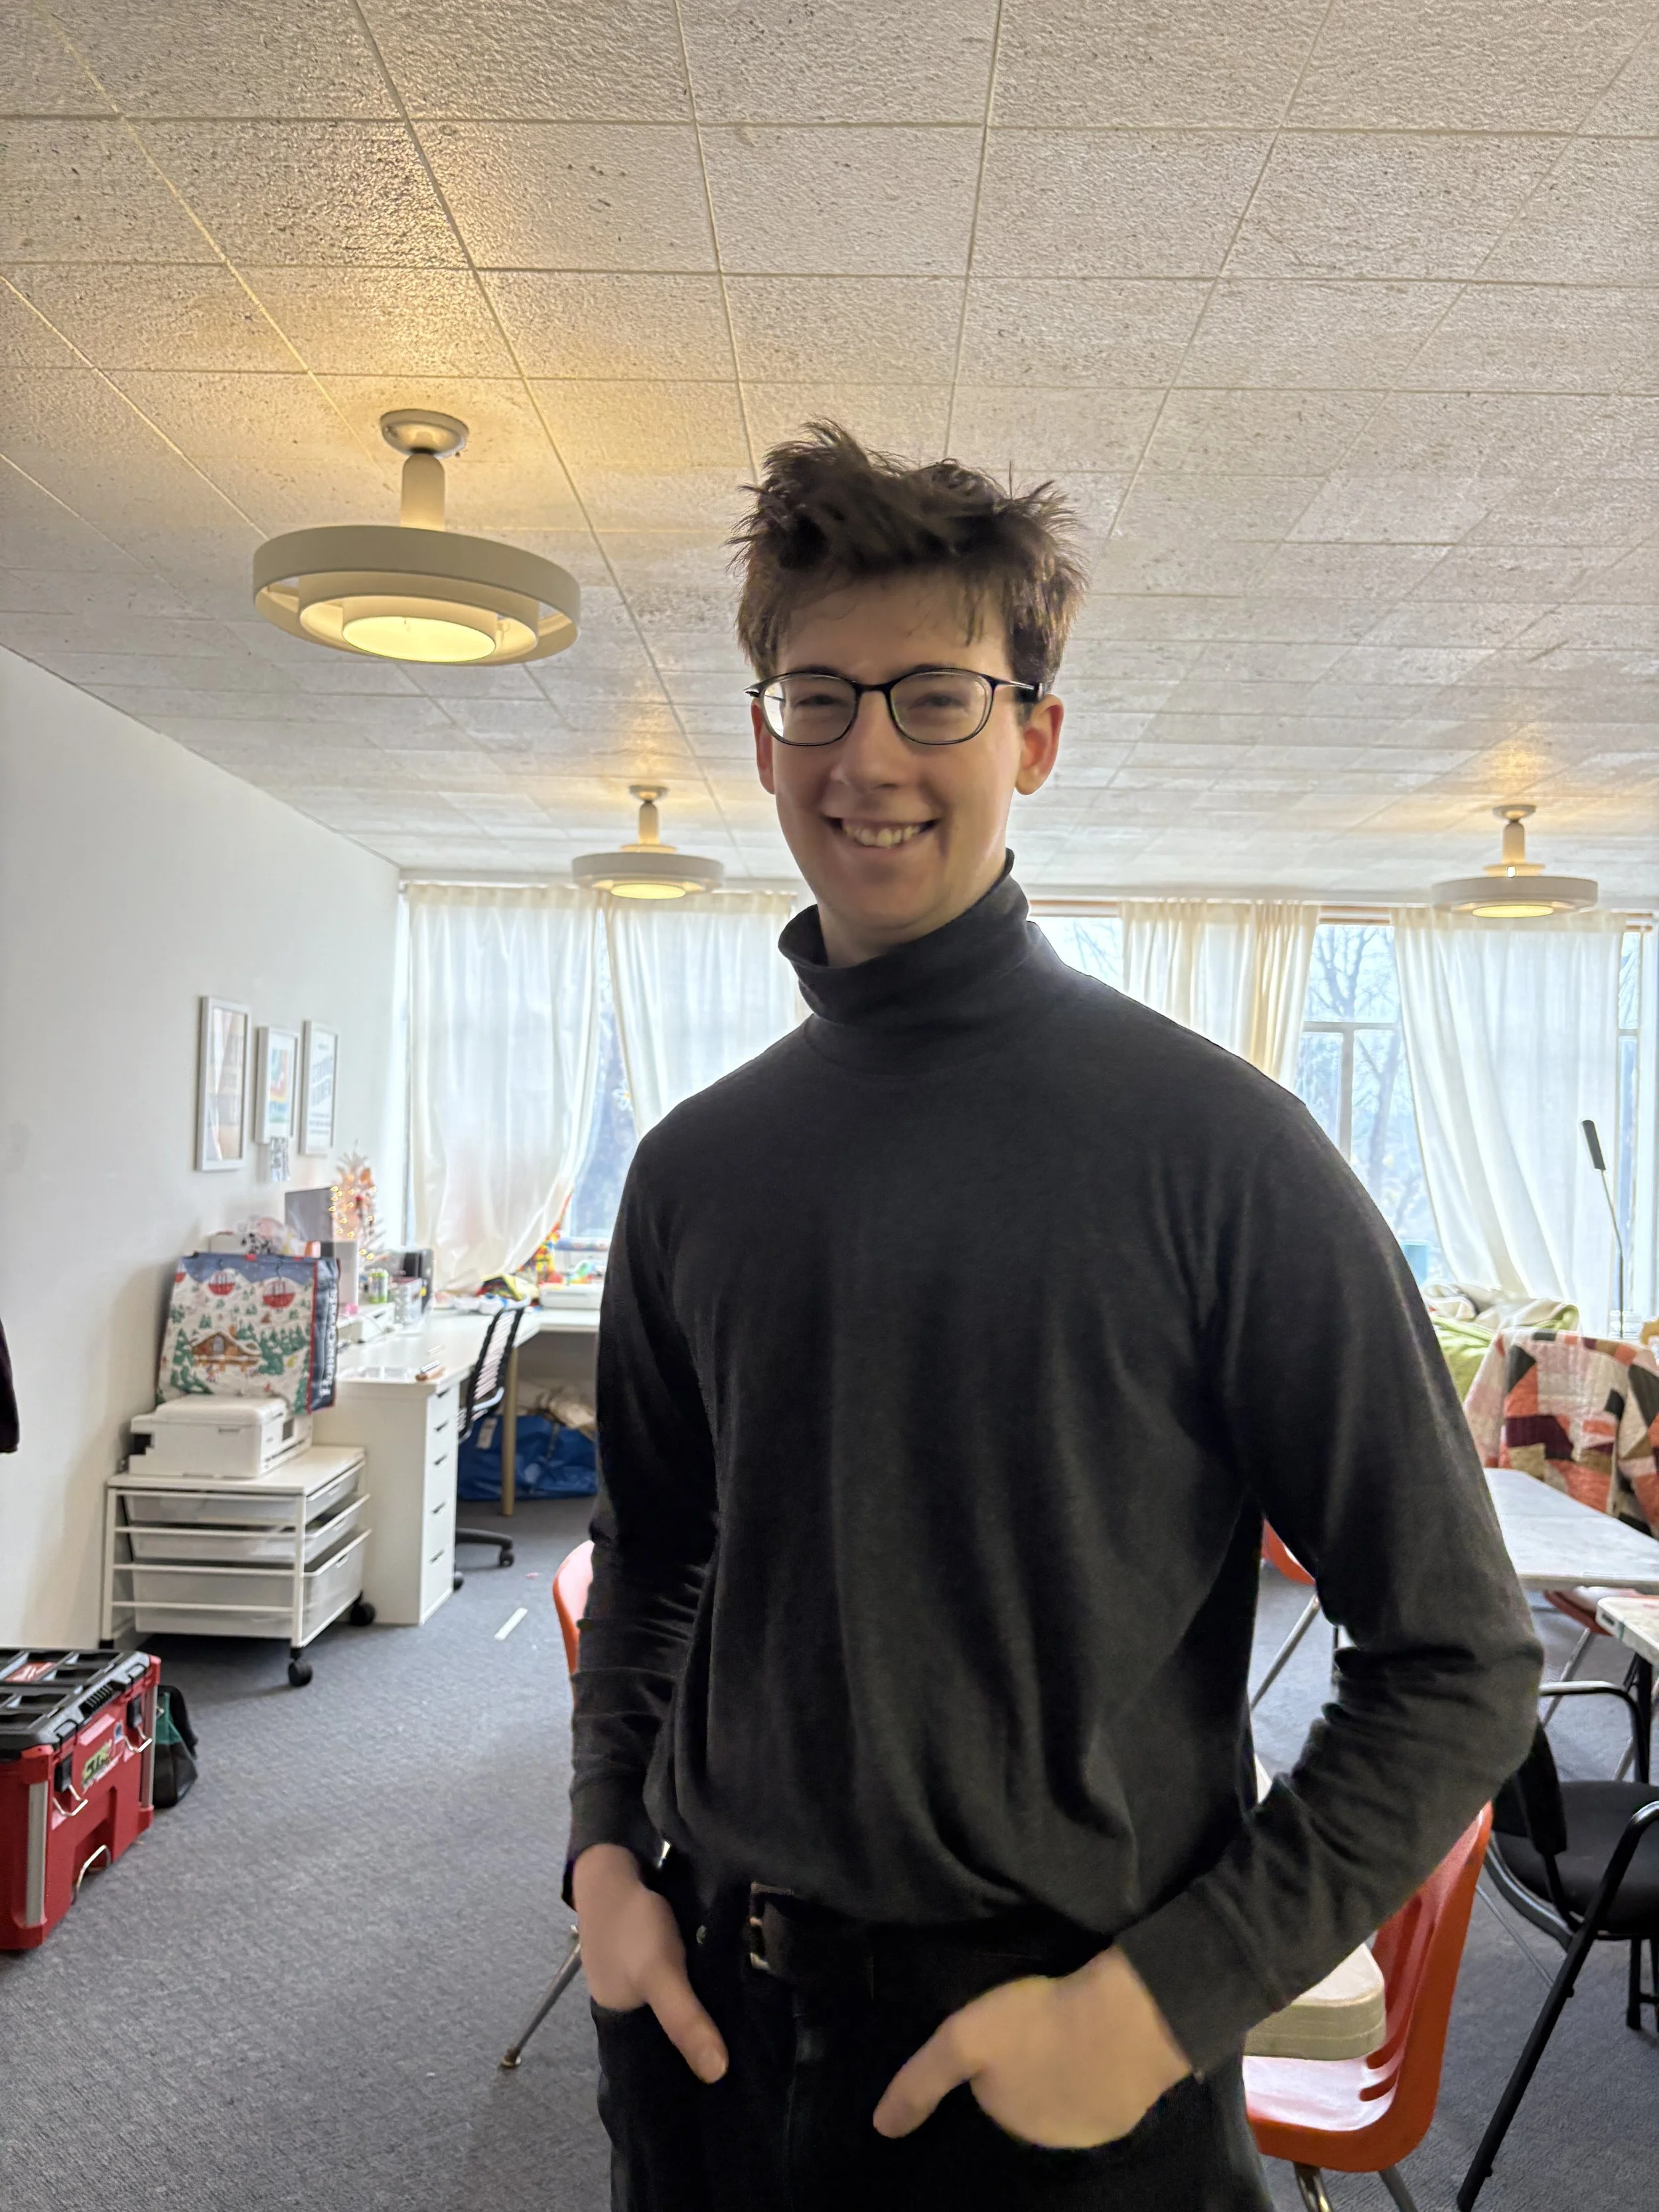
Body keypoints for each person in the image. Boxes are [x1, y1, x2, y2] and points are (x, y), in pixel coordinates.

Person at [569, 423, 1541, 2211]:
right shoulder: (695, 1170)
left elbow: (1460, 1653)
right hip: (711, 2036)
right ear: (765, 730)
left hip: (1061, 2073)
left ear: (1032, 735)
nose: (867, 754)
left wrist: (1166, 2004)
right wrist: (601, 1865)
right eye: (814, 695)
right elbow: (654, 1552)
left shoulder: (1217, 1149)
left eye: (933, 696)